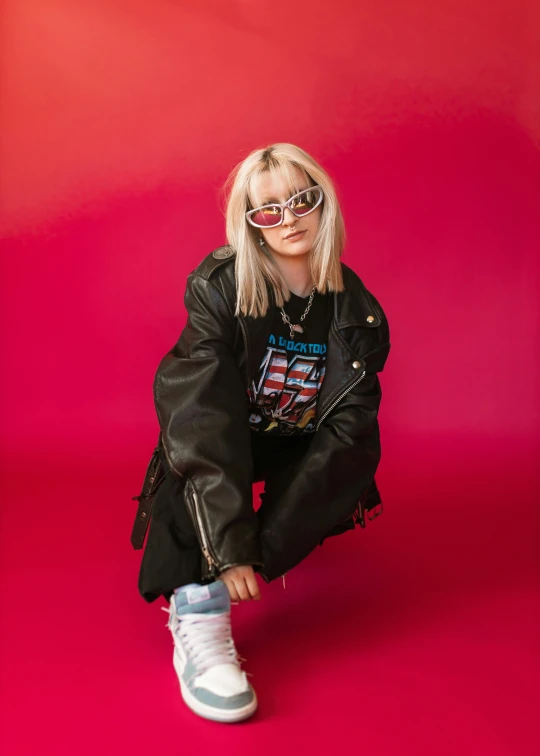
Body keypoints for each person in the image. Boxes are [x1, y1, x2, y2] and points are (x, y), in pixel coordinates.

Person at [131, 143, 391, 723]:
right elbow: (200, 413)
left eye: (302, 201)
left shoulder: (357, 309)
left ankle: (233, 571)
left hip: (295, 443)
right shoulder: (220, 288)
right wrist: (227, 550)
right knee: (184, 456)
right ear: (248, 224)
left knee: (340, 455)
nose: (289, 218)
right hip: (232, 434)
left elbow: (349, 436)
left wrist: (261, 555)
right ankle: (198, 615)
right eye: (267, 210)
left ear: (325, 206)